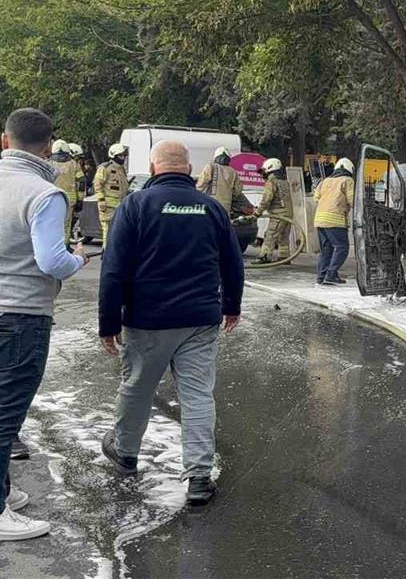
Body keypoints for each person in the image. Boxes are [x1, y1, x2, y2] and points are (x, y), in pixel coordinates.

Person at [97, 140, 243, 506]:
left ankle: (126, 452)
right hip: (199, 320)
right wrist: (232, 306)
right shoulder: (211, 208)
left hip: (148, 320)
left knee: (137, 387)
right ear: (189, 169)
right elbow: (233, 263)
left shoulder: (135, 205)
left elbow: (114, 269)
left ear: (153, 166)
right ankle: (198, 477)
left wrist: (108, 322)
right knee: (196, 396)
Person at [0, 108, 88, 540]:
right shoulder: (43, 194)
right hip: (22, 315)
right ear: (49, 146)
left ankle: (4, 491)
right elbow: (51, 260)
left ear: (5, 141)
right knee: (4, 414)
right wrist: (78, 259)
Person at [314, 157, 355, 286]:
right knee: (342, 247)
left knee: (326, 249)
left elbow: (316, 198)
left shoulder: (325, 181)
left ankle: (321, 276)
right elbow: (352, 200)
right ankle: (331, 274)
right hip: (335, 220)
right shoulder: (347, 180)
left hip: (320, 219)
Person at [254, 158, 294, 265]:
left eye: (264, 171)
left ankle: (265, 256)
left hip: (278, 214)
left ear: (270, 168)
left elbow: (267, 199)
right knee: (283, 237)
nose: (263, 174)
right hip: (288, 214)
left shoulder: (272, 181)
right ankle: (284, 257)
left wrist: (258, 212)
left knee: (270, 235)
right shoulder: (284, 181)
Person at [48, 140, 84, 245]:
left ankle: (54, 247)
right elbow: (81, 183)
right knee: (66, 226)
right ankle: (65, 247)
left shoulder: (48, 164)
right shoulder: (74, 165)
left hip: (52, 199)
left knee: (52, 224)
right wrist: (80, 200)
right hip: (69, 201)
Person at [93, 144, 129, 244]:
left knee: (117, 231)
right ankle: (106, 253)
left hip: (120, 205)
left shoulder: (121, 169)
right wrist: (101, 201)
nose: (123, 158)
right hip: (108, 206)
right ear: (114, 155)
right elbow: (97, 184)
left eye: (123, 156)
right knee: (108, 231)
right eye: (120, 156)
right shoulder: (105, 168)